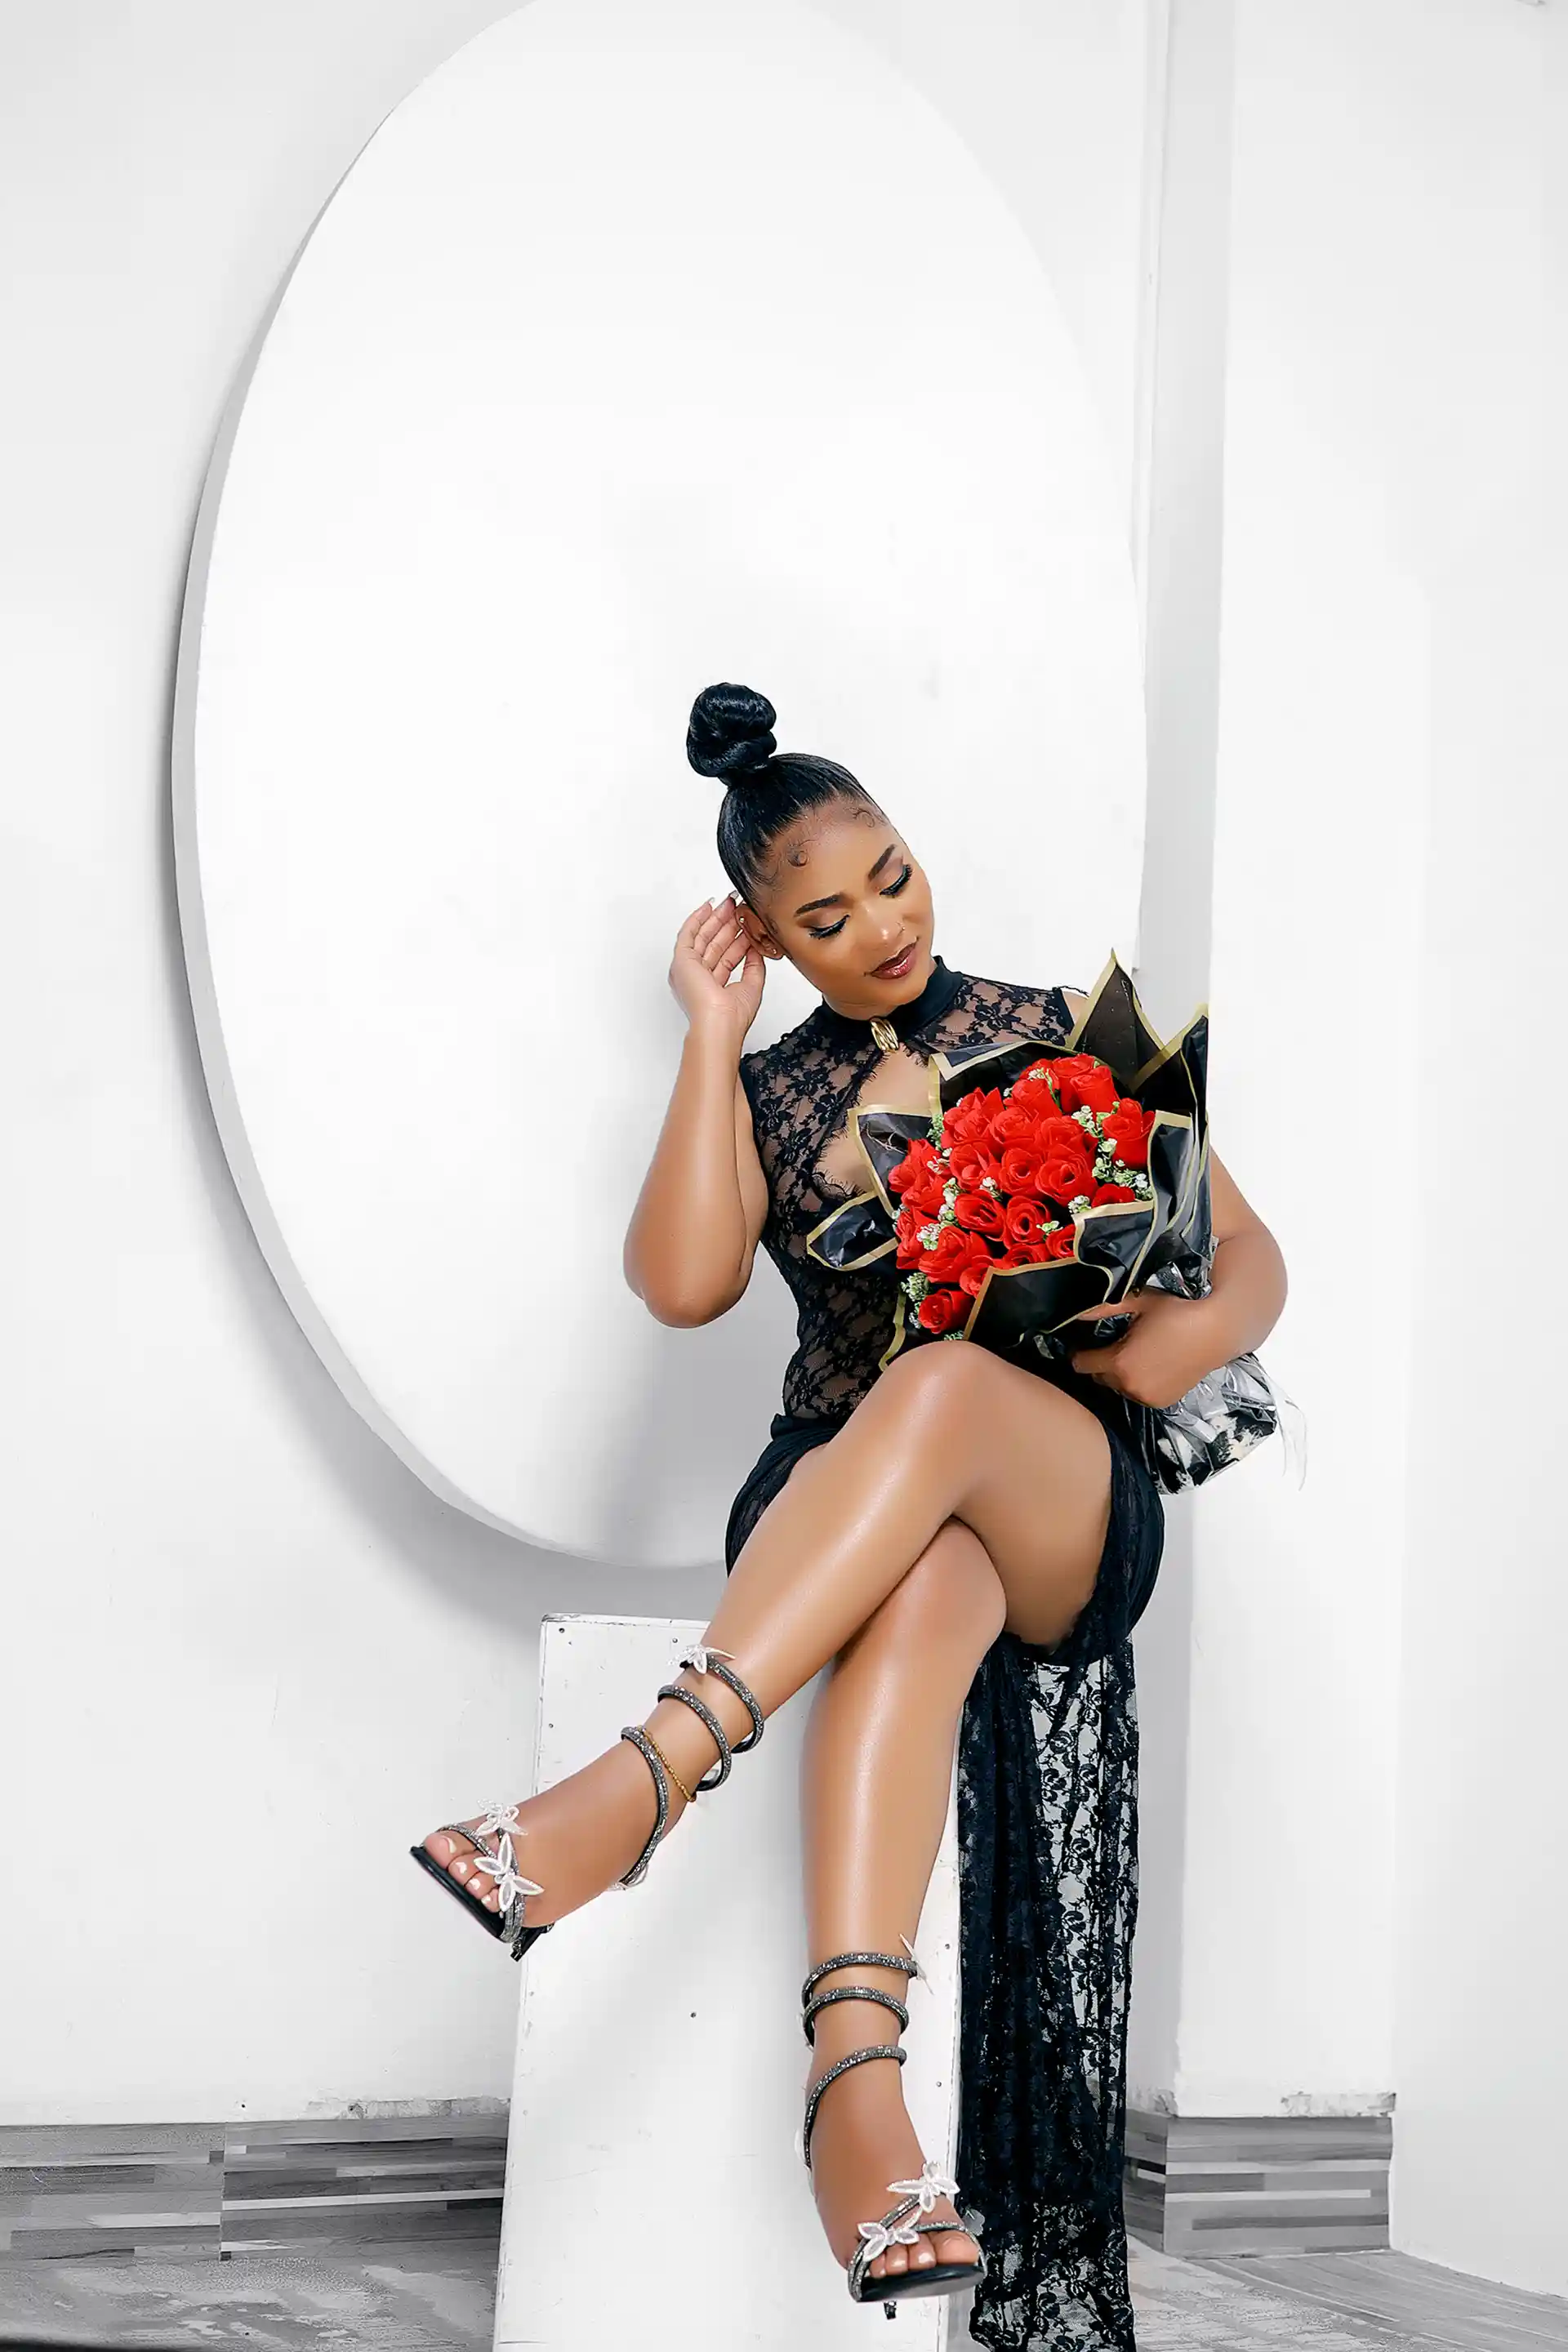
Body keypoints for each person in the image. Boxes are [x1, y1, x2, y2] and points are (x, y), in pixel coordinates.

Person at [412, 683, 1287, 2343]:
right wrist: (708, 1037)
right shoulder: (770, 1092)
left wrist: (1174, 1340)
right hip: (841, 1502)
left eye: (894, 877)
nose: (883, 927)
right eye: (826, 917)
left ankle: (634, 1786)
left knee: (947, 1393)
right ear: (764, 934)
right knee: (927, 1573)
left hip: (1064, 1494)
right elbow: (681, 1285)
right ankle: (859, 2104)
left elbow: (1249, 1255)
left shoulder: (1053, 1027)